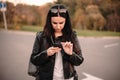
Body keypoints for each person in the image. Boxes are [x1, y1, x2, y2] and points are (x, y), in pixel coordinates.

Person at [30, 4, 84, 80]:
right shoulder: (41, 36)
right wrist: (46, 53)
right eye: (54, 23)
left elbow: (79, 61)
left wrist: (71, 54)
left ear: (66, 21)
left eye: (61, 23)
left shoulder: (72, 36)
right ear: (49, 21)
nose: (58, 27)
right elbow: (34, 60)